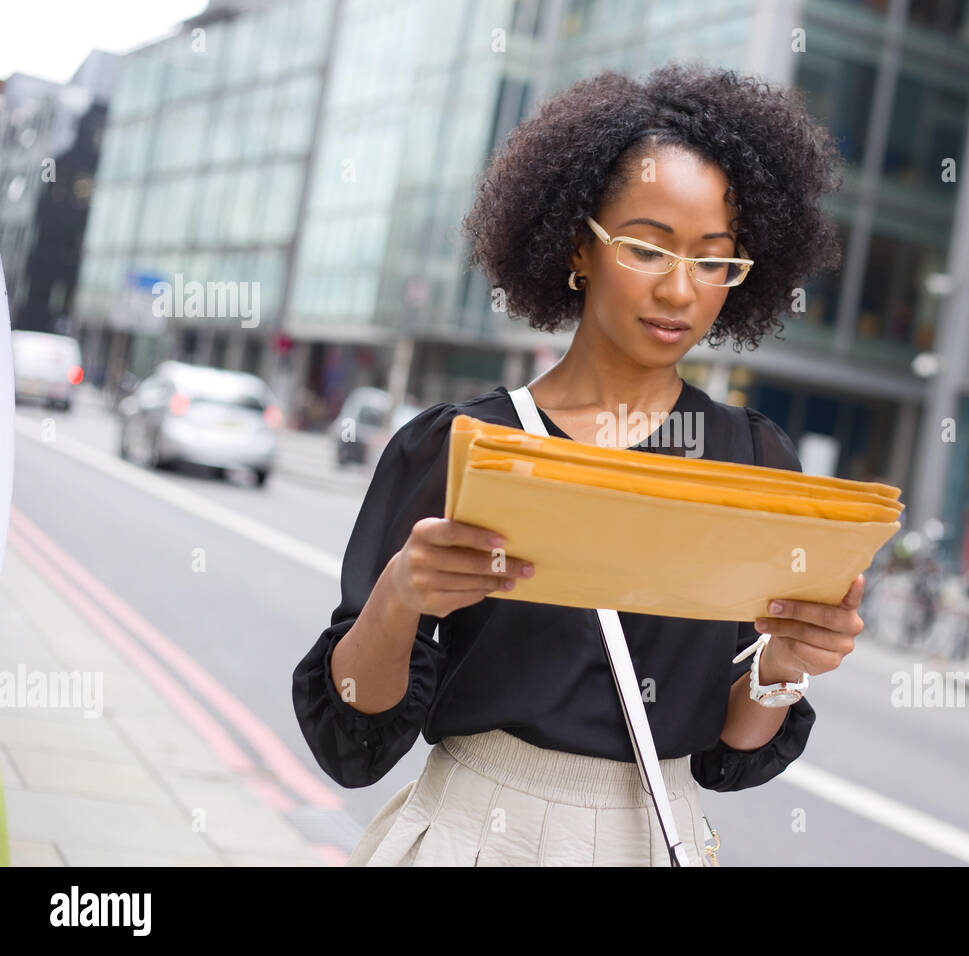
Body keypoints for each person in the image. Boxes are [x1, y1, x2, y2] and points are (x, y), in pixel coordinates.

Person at [291, 62, 864, 866]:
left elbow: (730, 751)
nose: (680, 290)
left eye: (713, 260)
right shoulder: (460, 445)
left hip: (656, 836)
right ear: (576, 245)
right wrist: (400, 596)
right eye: (647, 249)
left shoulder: (753, 461)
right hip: (475, 832)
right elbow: (350, 737)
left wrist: (785, 664)